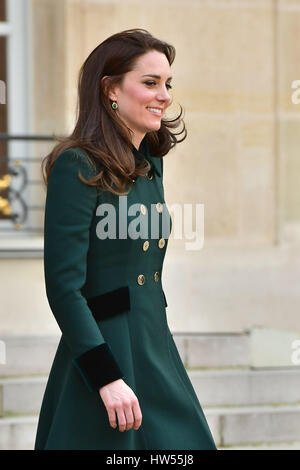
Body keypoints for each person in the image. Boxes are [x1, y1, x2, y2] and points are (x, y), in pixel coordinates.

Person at [34, 28, 217, 450]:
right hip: (106, 352)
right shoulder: (76, 165)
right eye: (150, 83)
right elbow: (64, 288)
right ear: (110, 89)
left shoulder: (150, 161)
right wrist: (106, 377)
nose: (165, 95)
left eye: (167, 84)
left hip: (155, 343)